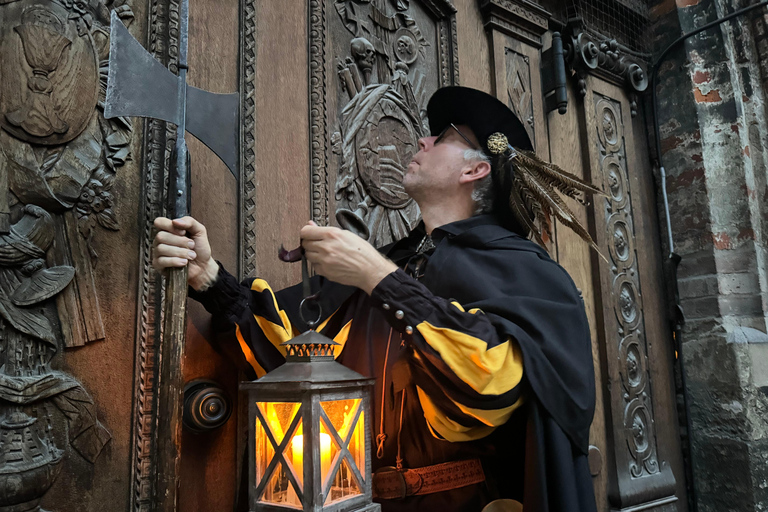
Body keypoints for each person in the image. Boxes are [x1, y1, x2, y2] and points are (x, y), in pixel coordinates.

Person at [153, 86, 598, 512]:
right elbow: (293, 361)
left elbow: (490, 383)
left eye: (442, 137)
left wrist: (376, 276)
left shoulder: (526, 272)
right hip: (356, 502)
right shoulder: (395, 262)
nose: (422, 139)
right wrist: (208, 278)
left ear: (475, 169)